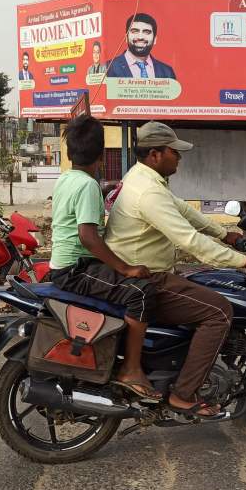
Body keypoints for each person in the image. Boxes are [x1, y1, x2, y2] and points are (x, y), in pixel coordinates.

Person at [105, 121, 246, 417]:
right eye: (174, 152)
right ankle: (184, 394)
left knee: (203, 289)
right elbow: (188, 240)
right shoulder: (149, 192)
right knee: (219, 311)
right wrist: (243, 260)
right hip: (149, 279)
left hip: (142, 273)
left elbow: (183, 210)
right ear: (155, 154)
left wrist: (224, 235)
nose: (179, 157)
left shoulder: (145, 180)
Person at [47, 115, 162, 402]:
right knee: (141, 292)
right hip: (77, 269)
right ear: (101, 154)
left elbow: (80, 203)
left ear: (70, 153)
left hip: (63, 265)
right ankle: (131, 370)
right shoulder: (86, 186)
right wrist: (126, 268)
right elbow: (88, 237)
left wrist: (104, 188)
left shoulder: (69, 179)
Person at [105, 13, 177, 80]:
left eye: (146, 32)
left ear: (155, 39)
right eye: (135, 31)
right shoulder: (108, 68)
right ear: (126, 37)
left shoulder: (167, 72)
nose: (140, 37)